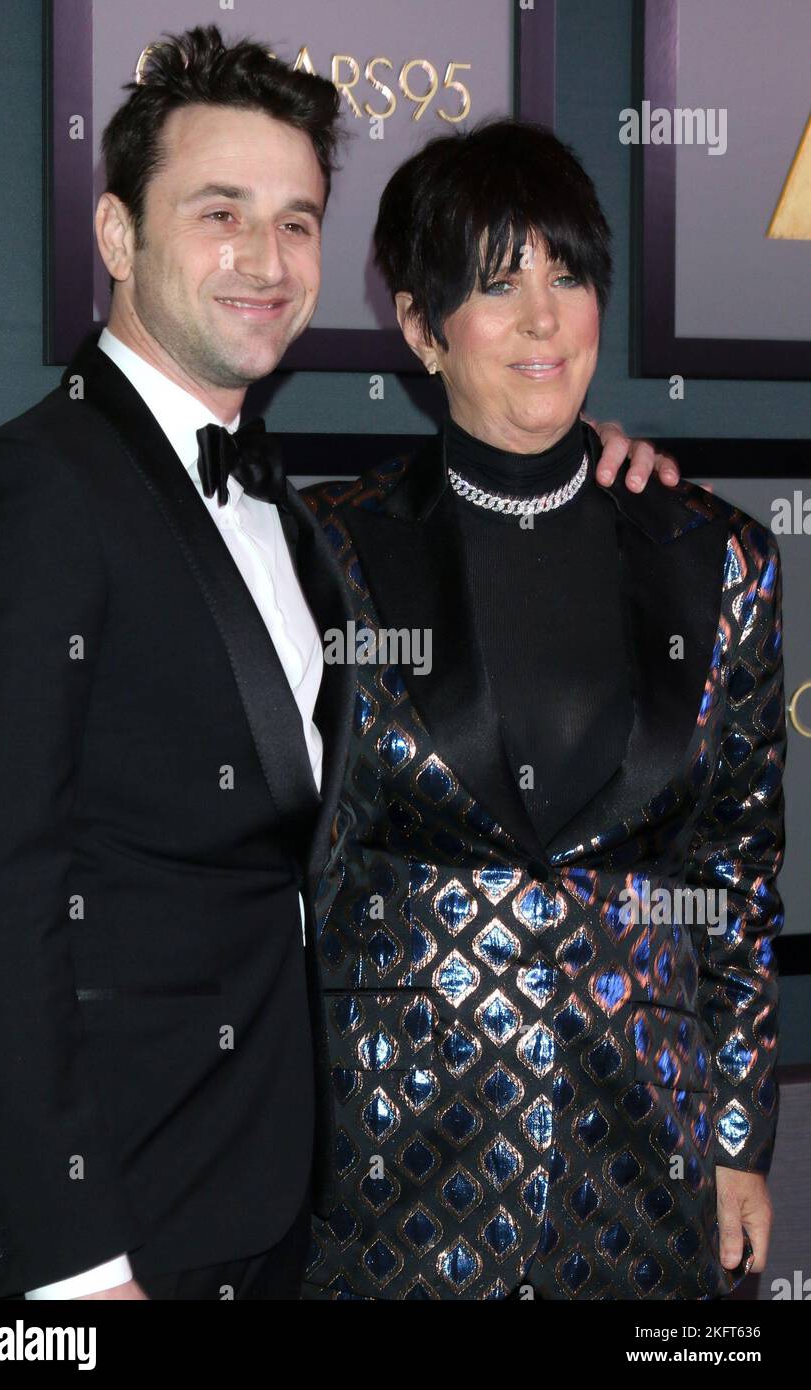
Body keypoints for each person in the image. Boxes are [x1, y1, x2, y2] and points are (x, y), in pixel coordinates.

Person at [0, 29, 677, 1302]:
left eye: (296, 222)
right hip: (106, 1233)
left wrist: (585, 469)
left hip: (289, 1201)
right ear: (115, 237)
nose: (264, 260)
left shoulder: (296, 514)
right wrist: (72, 1270)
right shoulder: (28, 489)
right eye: (218, 213)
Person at [302, 119, 785, 1300]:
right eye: (494, 283)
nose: (539, 320)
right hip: (389, 1167)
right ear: (418, 327)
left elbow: (732, 862)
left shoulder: (712, 554)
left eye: (564, 275)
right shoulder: (328, 545)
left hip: (640, 1162)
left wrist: (732, 1134)